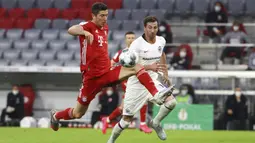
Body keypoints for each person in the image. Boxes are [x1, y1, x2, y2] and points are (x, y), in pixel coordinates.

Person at [50, 3, 174, 131]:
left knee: (136, 67)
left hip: (107, 73)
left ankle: (156, 93)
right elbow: (71, 30)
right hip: (92, 79)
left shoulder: (105, 28)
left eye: (106, 15)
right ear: (93, 16)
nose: (105, 18)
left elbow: (100, 50)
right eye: (102, 16)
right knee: (78, 113)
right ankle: (56, 115)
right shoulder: (88, 26)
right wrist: (85, 32)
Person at [107, 16, 177, 143]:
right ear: (145, 28)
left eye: (155, 27)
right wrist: (149, 66)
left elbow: (162, 54)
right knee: (126, 121)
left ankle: (155, 123)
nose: (152, 30)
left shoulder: (161, 40)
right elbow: (129, 66)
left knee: (171, 102)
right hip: (136, 84)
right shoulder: (136, 45)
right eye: (150, 27)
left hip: (153, 80)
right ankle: (111, 139)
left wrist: (165, 73)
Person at [102, 31, 152, 134]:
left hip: (137, 80)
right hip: (126, 81)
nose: (131, 40)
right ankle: (142, 124)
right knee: (144, 98)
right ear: (125, 40)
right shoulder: (121, 53)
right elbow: (111, 63)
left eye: (133, 38)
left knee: (123, 107)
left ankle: (106, 120)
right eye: (129, 38)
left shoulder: (139, 53)